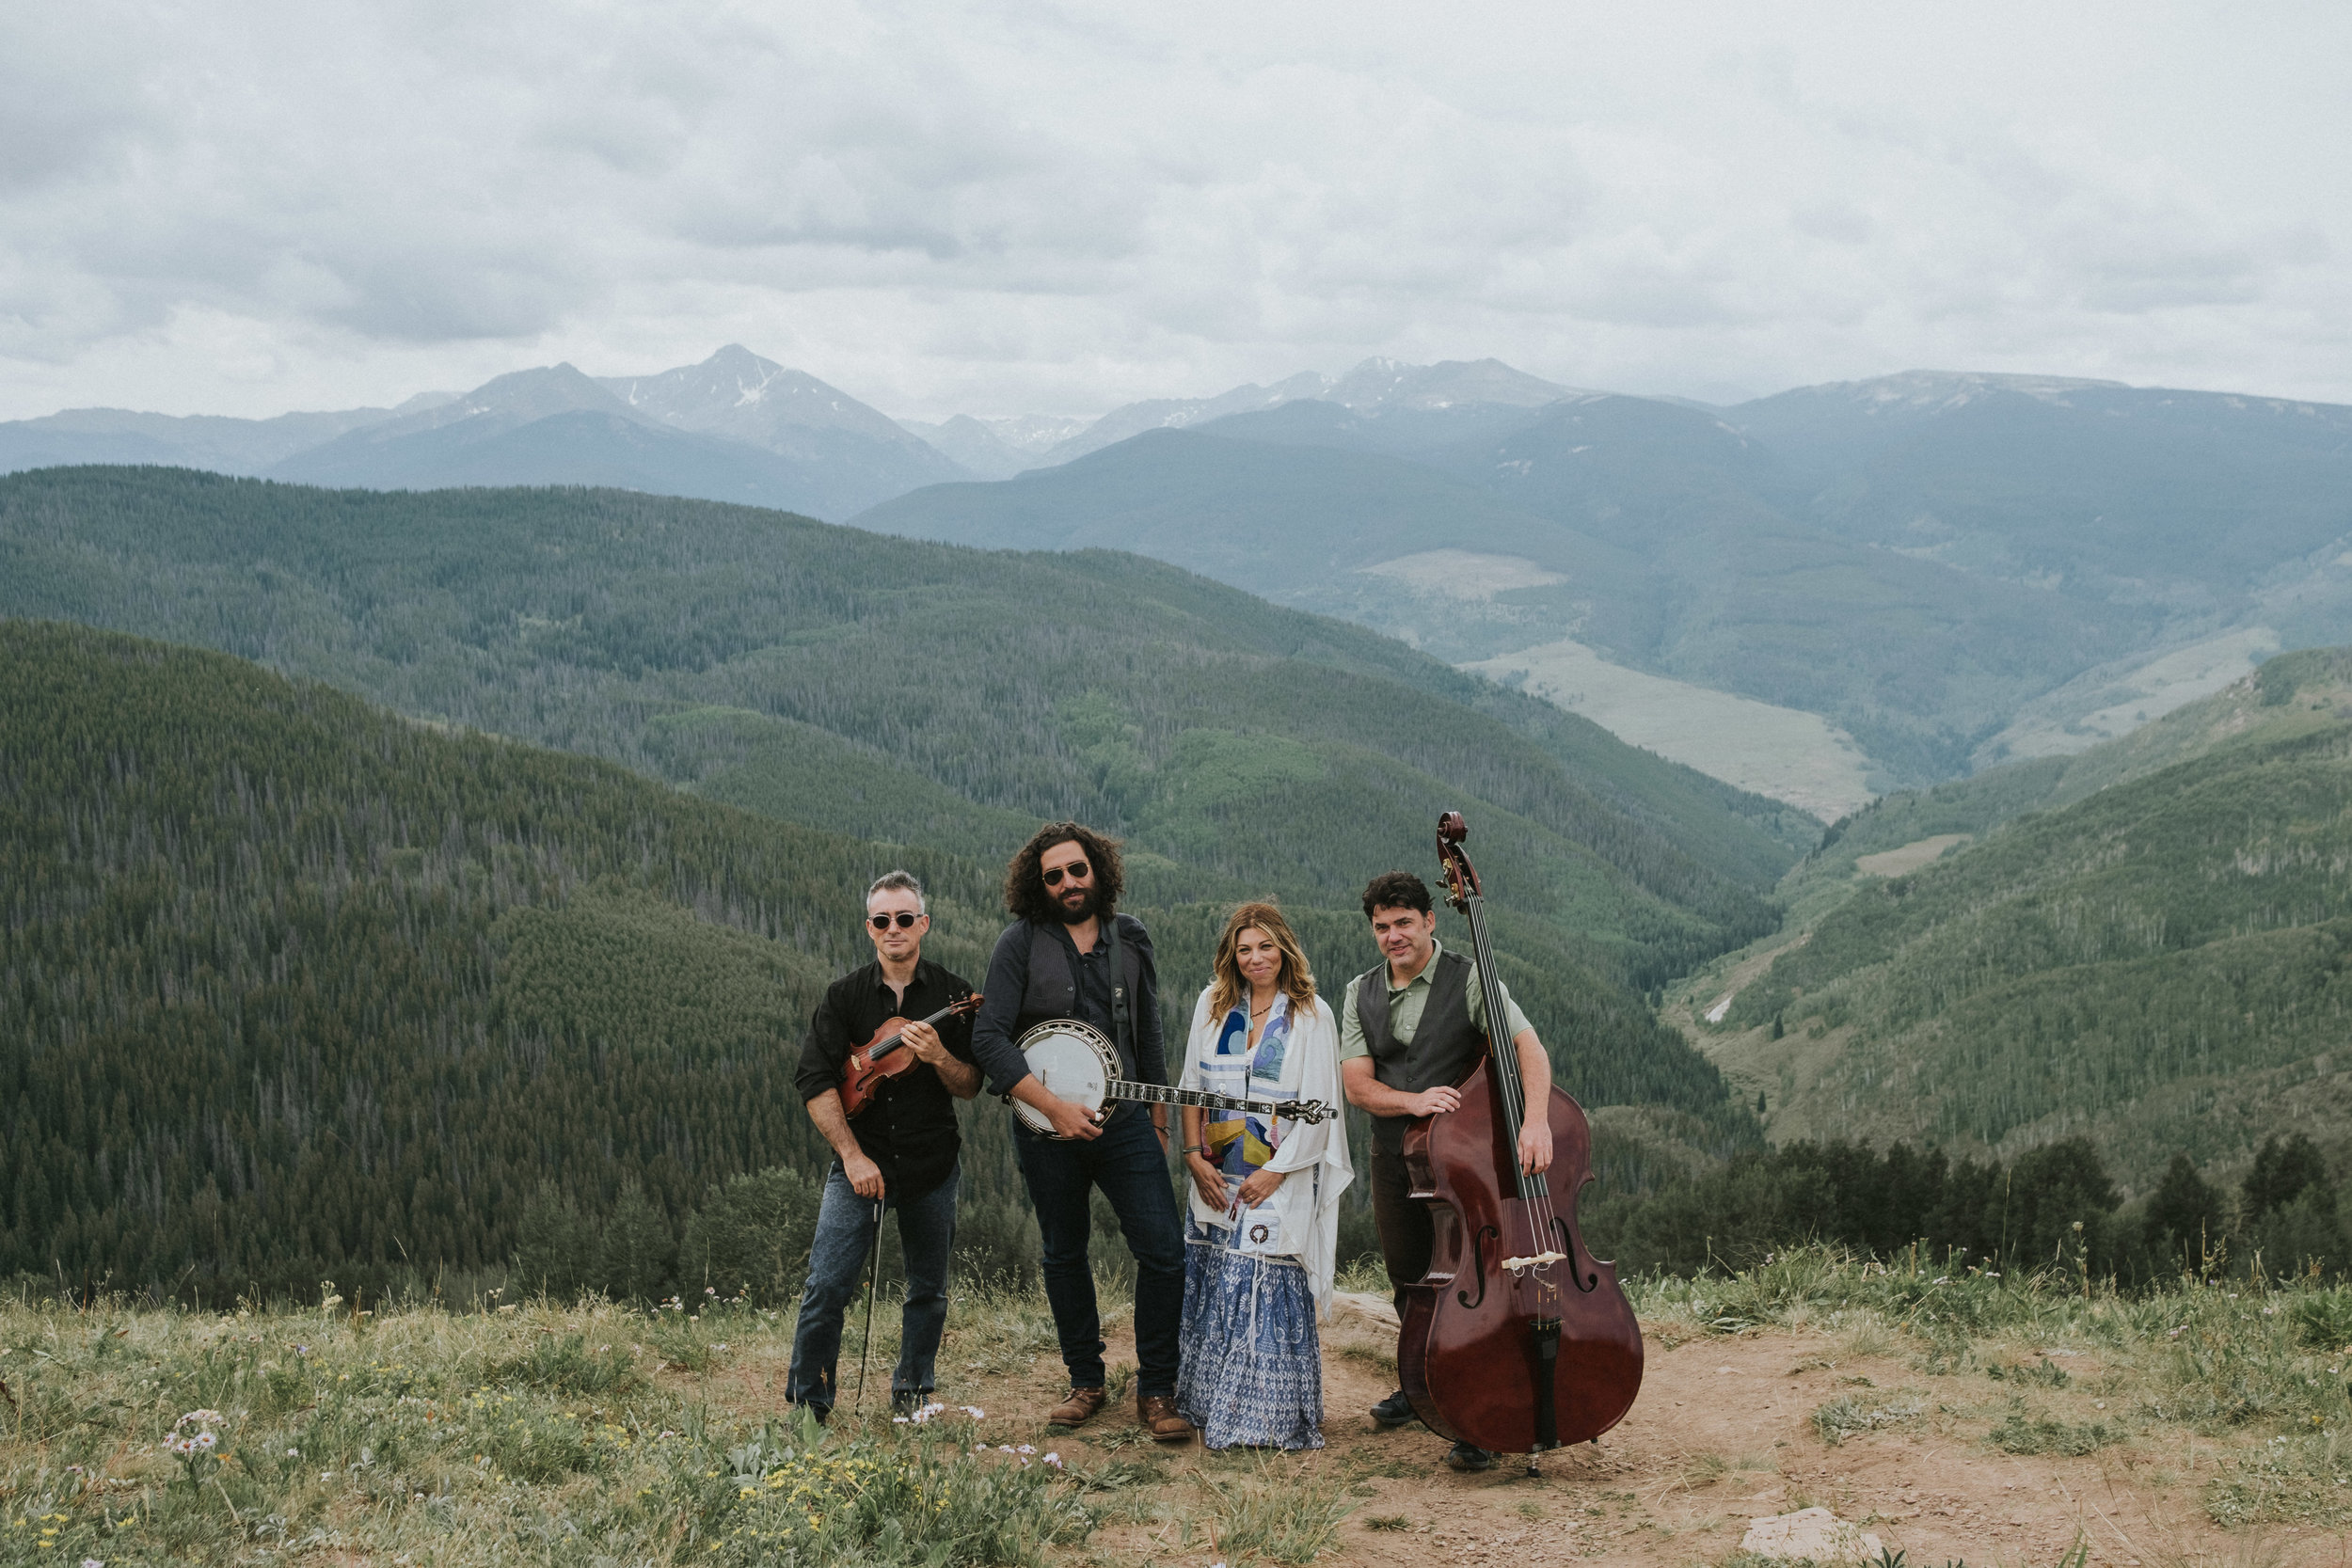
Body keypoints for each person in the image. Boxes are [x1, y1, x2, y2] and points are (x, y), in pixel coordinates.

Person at [970, 822, 1193, 1443]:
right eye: (1054, 875)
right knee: (1064, 1251)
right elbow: (988, 1037)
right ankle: (1085, 1381)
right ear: (1036, 885)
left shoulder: (1131, 936)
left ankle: (1157, 1389)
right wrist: (1055, 1106)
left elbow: (1145, 1031)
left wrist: (1157, 1117)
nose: (1068, 882)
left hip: (1123, 1121)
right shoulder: (1019, 943)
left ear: (1097, 869)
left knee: (1163, 1250)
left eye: (1077, 869)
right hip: (1045, 1129)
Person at [1337, 869, 1553, 1474]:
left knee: (1471, 1277)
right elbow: (1357, 1084)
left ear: (1430, 921)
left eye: (1404, 923)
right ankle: (1421, 1382)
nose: (1393, 936)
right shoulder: (1359, 991)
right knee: (1409, 1276)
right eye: (1381, 927)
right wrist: (1411, 1102)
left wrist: (1535, 1122)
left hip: (1467, 1160)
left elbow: (1527, 1047)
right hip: (1395, 1155)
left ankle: (1477, 1416)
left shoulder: (1471, 978)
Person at [786, 870, 980, 1420]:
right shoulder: (845, 996)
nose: (893, 928)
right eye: (881, 920)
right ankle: (809, 1407)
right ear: (869, 929)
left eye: (904, 918)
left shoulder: (953, 994)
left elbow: (970, 1086)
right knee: (827, 1286)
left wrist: (940, 1056)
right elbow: (815, 1081)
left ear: (923, 925)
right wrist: (851, 1156)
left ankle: (912, 1397)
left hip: (930, 1166)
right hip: (860, 1164)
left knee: (927, 1290)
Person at [1173, 901, 1353, 1449]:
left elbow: (1322, 1107)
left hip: (1279, 1175)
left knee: (1265, 1279)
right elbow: (1190, 1087)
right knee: (1215, 1277)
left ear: (1285, 949)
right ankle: (1209, 1402)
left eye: (1266, 947)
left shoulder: (1310, 1015)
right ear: (1231, 955)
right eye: (1244, 949)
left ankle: (1267, 1418)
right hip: (1215, 1176)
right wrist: (1192, 1156)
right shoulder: (1213, 1005)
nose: (1255, 959)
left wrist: (1275, 1173)